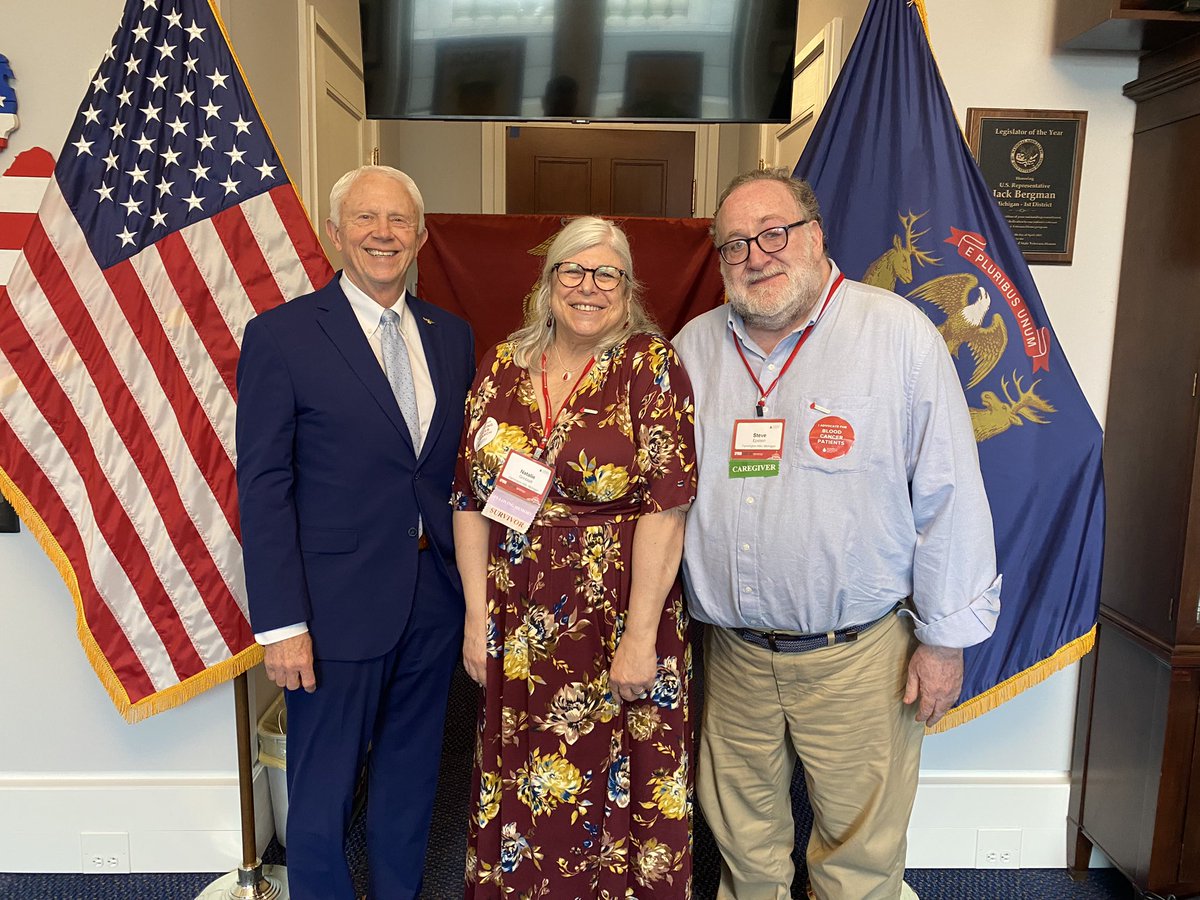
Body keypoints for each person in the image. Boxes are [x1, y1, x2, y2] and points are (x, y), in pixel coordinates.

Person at [673, 168, 1002, 900]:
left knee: (859, 866)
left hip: (858, 660)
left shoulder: (898, 336)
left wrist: (943, 642)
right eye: (734, 245)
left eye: (773, 233)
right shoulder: (694, 350)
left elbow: (950, 497)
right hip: (735, 657)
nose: (756, 255)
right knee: (744, 852)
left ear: (815, 236)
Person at [236, 165, 476, 900]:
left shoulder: (453, 336)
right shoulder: (281, 336)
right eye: (366, 220)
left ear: (421, 235)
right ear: (335, 235)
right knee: (321, 796)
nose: (383, 234)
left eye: (398, 220)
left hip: (433, 600)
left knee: (409, 787)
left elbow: (456, 472)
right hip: (331, 611)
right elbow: (264, 485)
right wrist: (281, 624)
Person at [452, 216, 697, 898]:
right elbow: (468, 498)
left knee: (618, 778)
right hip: (520, 613)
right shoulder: (503, 364)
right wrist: (478, 618)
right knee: (526, 772)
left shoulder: (653, 364)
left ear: (628, 288)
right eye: (574, 271)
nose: (589, 288)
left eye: (607, 274)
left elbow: (667, 506)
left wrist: (641, 638)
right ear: (548, 281)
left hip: (620, 615)